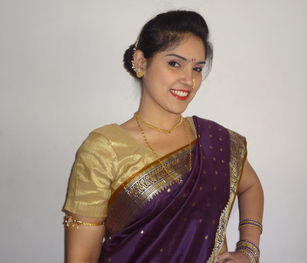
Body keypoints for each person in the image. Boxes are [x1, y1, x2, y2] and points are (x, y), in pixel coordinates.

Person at [63, 10, 264, 263]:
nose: (188, 80)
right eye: (174, 63)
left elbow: (252, 186)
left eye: (197, 68)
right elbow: (81, 257)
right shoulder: (104, 148)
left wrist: (249, 250)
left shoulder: (214, 141)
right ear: (141, 61)